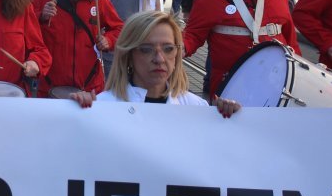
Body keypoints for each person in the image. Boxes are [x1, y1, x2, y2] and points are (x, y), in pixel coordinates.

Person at [183, 0, 301, 99]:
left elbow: (291, 40)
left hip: (275, 86)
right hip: (229, 90)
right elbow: (192, 36)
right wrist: (176, 48)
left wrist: (299, 72)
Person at [97, 11, 240, 117]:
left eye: (168, 49)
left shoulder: (196, 108)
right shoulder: (102, 107)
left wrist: (227, 119)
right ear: (128, 55)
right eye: (146, 50)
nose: (159, 59)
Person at [33, 0, 124, 98]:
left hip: (89, 85)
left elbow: (120, 29)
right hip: (50, 85)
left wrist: (108, 40)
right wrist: (40, 16)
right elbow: (24, 26)